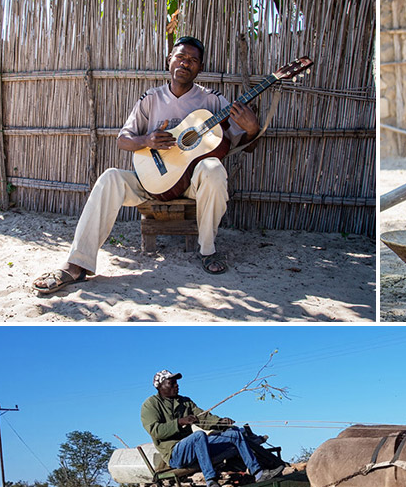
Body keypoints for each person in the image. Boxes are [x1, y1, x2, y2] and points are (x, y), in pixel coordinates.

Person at [32, 36, 260, 294]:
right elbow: (123, 141)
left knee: (213, 169)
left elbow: (245, 145)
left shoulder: (213, 101)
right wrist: (146, 140)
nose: (186, 63)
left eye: (193, 60)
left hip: (191, 185)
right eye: (181, 57)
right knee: (110, 178)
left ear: (200, 67)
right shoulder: (150, 98)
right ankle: (77, 264)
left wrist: (252, 131)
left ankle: (208, 250)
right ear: (169, 60)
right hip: (151, 180)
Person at [141, 369, 285, 487]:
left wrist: (220, 423)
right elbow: (156, 430)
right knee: (198, 435)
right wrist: (180, 422)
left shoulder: (185, 401)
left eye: (176, 382)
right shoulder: (150, 405)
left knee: (235, 434)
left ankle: (259, 473)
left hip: (197, 447)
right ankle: (211, 481)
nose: (176, 385)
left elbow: (203, 416)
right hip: (175, 453)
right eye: (171, 383)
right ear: (159, 386)